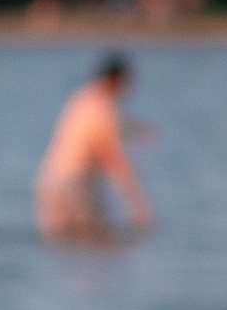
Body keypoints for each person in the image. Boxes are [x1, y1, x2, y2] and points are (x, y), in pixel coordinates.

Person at [35, 55, 155, 241]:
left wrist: (136, 130)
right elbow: (112, 156)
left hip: (51, 183)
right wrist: (138, 205)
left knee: (63, 244)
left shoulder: (85, 97)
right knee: (99, 244)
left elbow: (105, 128)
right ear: (116, 80)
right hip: (75, 186)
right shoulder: (102, 109)